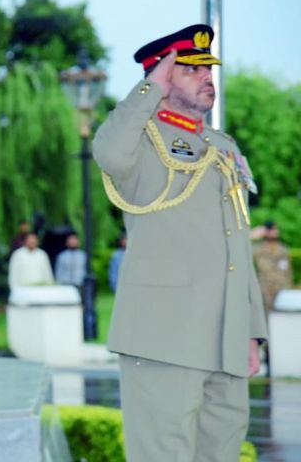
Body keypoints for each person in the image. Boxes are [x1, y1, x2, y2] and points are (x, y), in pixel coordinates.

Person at [92, 24, 267, 461]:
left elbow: (238, 247)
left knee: (222, 454)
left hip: (225, 338)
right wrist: (151, 86)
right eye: (191, 70)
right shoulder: (140, 140)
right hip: (163, 336)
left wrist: (251, 333)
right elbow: (108, 152)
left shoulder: (223, 147)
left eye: (209, 70)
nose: (207, 77)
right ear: (164, 78)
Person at [253, 221, 294, 316]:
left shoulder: (283, 249)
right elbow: (243, 249)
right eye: (271, 229)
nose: (275, 232)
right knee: (264, 318)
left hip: (282, 288)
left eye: (276, 229)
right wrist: (253, 236)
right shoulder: (258, 249)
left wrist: (289, 286)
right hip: (265, 290)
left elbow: (288, 272)